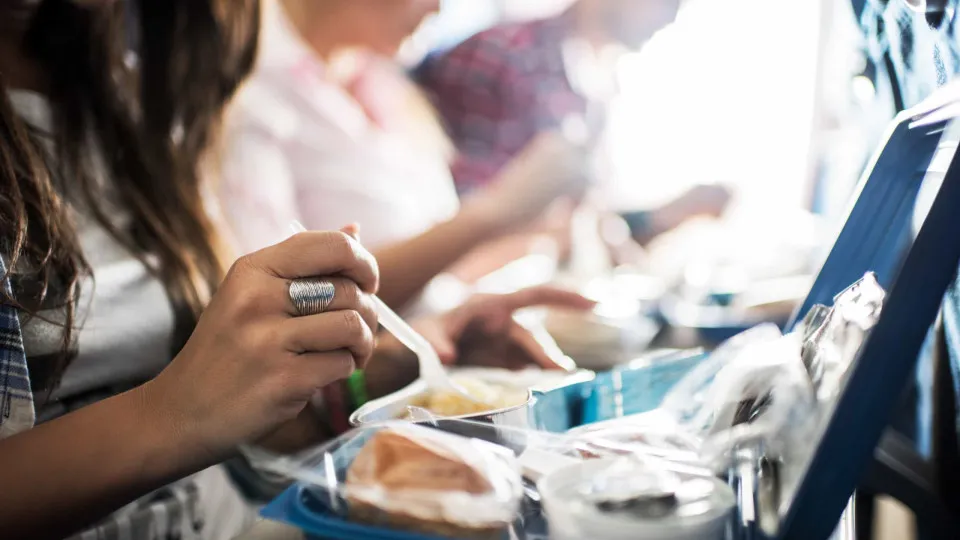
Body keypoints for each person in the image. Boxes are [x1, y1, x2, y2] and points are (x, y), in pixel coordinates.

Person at [0, 1, 591, 539]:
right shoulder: (252, 94)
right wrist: (177, 410)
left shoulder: (132, 95)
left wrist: (388, 365)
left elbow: (229, 413)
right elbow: (185, 408)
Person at [220, 0, 591, 313]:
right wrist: (493, 212)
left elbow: (433, 282)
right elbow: (283, 303)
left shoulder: (383, 83)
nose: (439, 7)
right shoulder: (248, 94)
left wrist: (531, 239)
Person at [415, 0, 731, 244]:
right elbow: (460, 222)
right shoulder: (503, 54)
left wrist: (664, 217)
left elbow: (576, 227)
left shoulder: (598, 89)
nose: (669, 18)